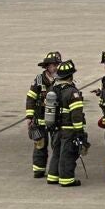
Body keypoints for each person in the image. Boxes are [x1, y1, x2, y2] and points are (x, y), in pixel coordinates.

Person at [49, 60, 87, 187]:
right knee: (68, 153)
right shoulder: (72, 92)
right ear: (71, 76)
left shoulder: (54, 89)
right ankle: (67, 179)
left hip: (56, 128)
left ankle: (53, 176)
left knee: (56, 152)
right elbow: (76, 115)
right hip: (69, 129)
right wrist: (79, 131)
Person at [25, 51, 61, 179]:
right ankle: (38, 170)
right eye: (53, 65)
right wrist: (29, 117)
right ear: (47, 66)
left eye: (57, 64)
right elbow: (30, 98)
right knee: (40, 144)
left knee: (57, 145)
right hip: (40, 120)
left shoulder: (62, 79)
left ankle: (55, 169)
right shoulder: (39, 80)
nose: (55, 67)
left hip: (56, 120)